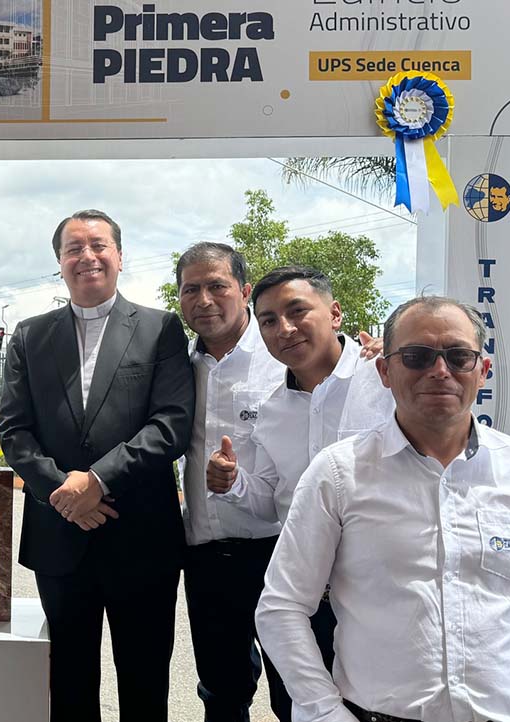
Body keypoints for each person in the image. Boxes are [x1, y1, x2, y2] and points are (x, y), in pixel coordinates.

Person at [257, 296, 510, 722]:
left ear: (483, 369)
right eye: (417, 356)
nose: (439, 370)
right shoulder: (337, 474)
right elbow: (282, 607)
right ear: (385, 372)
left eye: (458, 356)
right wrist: (324, 712)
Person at [0, 209, 193, 722]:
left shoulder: (161, 329)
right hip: (59, 535)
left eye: (98, 245)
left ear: (120, 256)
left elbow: (170, 423)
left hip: (142, 536)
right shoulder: (29, 335)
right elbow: (13, 429)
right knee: (67, 681)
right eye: (73, 248)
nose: (87, 256)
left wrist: (97, 480)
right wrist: (64, 493)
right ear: (59, 264)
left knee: (146, 678)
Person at [206, 266, 394, 721]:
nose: (283, 329)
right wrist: (234, 484)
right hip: (306, 595)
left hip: (380, 593)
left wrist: (401, 354)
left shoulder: (384, 380)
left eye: (297, 312)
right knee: (297, 708)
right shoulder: (272, 409)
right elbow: (272, 499)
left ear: (334, 314)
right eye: (268, 320)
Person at [177, 242, 287, 722]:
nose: (204, 299)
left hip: (280, 551)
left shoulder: (283, 358)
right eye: (191, 289)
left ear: (243, 291)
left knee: (297, 687)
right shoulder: (177, 367)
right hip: (206, 556)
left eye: (217, 286)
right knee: (221, 692)